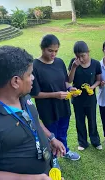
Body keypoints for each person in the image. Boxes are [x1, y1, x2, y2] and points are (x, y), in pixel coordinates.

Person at [0, 45, 66, 180]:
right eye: (29, 74)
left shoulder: (23, 95)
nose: (33, 78)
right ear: (15, 81)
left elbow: (34, 120)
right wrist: (35, 178)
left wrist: (50, 138)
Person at [30, 34, 81, 169]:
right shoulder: (35, 66)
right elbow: (35, 94)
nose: (53, 54)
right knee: (51, 135)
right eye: (50, 50)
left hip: (63, 106)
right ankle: (53, 159)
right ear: (42, 48)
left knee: (63, 131)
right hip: (48, 109)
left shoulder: (59, 62)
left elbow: (65, 81)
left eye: (56, 51)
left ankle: (65, 150)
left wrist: (70, 88)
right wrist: (55, 95)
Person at [68, 41, 102, 151]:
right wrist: (73, 67)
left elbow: (99, 80)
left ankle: (95, 141)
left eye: (83, 56)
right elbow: (69, 80)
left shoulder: (95, 64)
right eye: (78, 56)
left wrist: (92, 87)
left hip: (90, 98)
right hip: (77, 99)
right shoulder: (73, 63)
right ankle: (82, 142)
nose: (81, 59)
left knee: (92, 120)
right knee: (79, 121)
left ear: (88, 52)